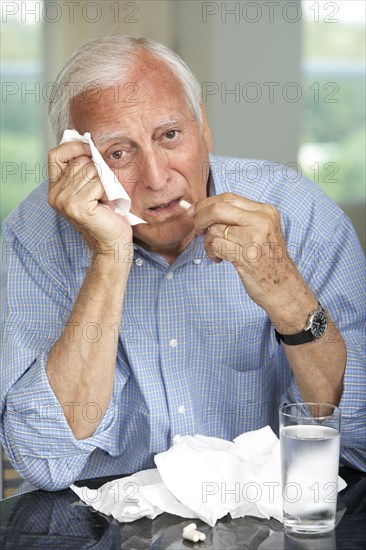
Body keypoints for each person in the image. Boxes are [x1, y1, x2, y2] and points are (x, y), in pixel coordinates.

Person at [1, 36, 365, 491]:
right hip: (102, 532)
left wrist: (286, 294)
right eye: (118, 152)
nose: (156, 178)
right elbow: (43, 460)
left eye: (169, 135)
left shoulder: (301, 212)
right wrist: (110, 257)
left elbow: (357, 441)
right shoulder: (33, 235)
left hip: (262, 526)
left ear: (203, 127)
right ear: (82, 161)